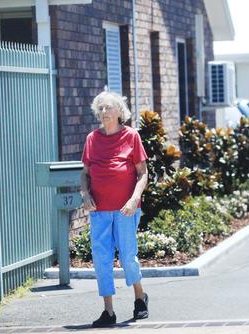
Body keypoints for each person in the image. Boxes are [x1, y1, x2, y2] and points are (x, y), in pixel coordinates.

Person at [80, 90, 149, 328]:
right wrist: (85, 193)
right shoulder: (92, 139)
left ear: (120, 111)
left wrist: (134, 198)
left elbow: (143, 173)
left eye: (108, 107)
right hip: (99, 210)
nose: (104, 112)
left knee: (128, 257)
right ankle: (108, 311)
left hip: (125, 210)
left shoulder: (131, 137)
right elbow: (85, 174)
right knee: (102, 259)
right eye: (100, 108)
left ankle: (140, 297)